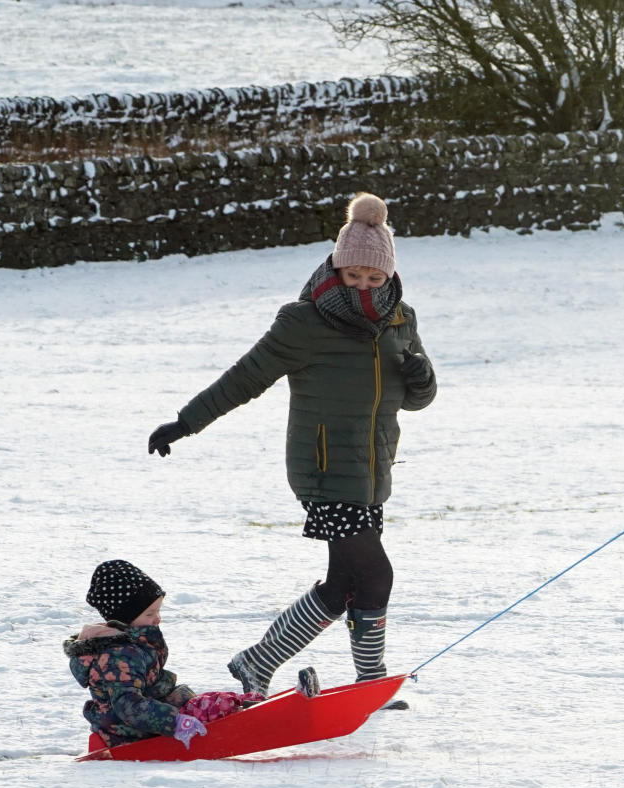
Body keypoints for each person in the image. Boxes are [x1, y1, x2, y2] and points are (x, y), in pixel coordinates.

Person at [147, 193, 437, 698]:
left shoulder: (399, 319)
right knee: (376, 576)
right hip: (323, 471)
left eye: (375, 278)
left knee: (344, 585)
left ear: (388, 275)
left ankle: (258, 661)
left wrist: (422, 375)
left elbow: (417, 399)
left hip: (372, 472)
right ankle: (367, 681)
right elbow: (245, 378)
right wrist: (185, 422)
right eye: (354, 276)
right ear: (336, 268)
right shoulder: (304, 321)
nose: (364, 286)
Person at [65, 560, 212, 749]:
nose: (157, 619)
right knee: (211, 709)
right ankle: (242, 721)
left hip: (151, 717)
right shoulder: (118, 656)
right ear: (125, 619)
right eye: (150, 614)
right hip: (129, 732)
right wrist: (174, 721)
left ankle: (245, 707)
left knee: (210, 702)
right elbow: (129, 706)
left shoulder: (135, 643)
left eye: (158, 611)